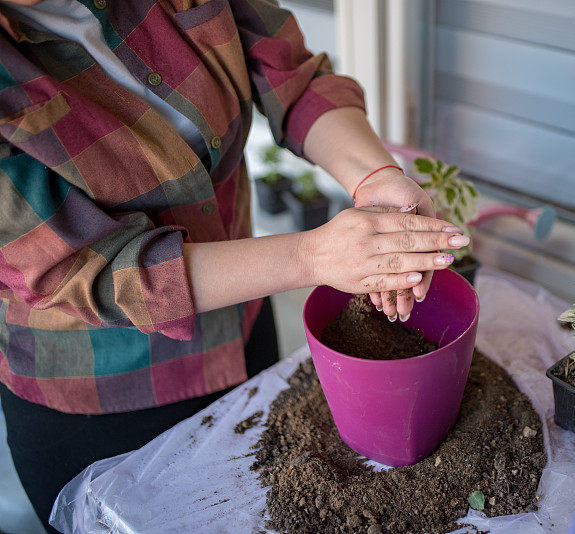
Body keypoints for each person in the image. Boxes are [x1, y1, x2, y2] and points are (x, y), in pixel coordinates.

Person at [0, 0, 468, 530]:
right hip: (105, 396)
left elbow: (289, 71)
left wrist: (374, 177)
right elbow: (91, 272)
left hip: (242, 329)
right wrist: (313, 255)